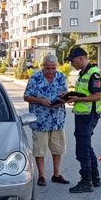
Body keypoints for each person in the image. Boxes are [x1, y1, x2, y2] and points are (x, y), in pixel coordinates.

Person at [23, 54, 70, 187]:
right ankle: (42, 176)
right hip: (40, 120)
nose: (50, 71)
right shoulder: (35, 77)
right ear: (43, 66)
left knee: (57, 148)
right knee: (40, 150)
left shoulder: (61, 77)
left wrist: (62, 100)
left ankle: (56, 174)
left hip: (57, 120)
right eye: (48, 68)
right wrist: (40, 100)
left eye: (53, 68)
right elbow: (26, 96)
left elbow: (64, 93)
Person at [65, 47, 101, 193]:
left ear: (81, 58)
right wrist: (71, 95)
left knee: (82, 149)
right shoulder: (83, 72)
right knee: (86, 146)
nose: (71, 64)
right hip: (82, 115)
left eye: (73, 61)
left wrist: (78, 98)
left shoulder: (93, 74)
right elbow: (85, 93)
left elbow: (97, 96)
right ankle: (95, 178)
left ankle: (86, 182)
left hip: (89, 115)